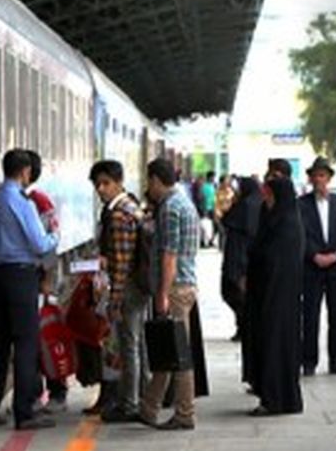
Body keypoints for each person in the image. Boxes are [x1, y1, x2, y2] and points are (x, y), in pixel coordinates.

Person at [0, 149, 59, 430]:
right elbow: (39, 243)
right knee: (26, 344)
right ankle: (25, 411)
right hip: (21, 277)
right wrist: (55, 235)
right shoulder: (21, 203)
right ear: (24, 171)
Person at [139, 158, 200, 431]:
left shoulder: (169, 208)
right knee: (168, 347)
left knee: (179, 353)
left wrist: (162, 293)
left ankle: (185, 413)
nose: (147, 188)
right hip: (186, 284)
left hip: (175, 288)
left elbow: (169, 255)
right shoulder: (184, 202)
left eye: (148, 181)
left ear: (155, 180)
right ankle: (149, 407)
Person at [89, 159, 149, 422]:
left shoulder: (118, 214)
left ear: (119, 182)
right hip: (137, 287)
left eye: (106, 183)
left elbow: (122, 263)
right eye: (97, 184)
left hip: (128, 289)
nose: (101, 189)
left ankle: (130, 404)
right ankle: (141, 397)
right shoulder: (133, 207)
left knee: (129, 345)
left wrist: (114, 300)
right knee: (135, 343)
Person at [244, 174, 304, 415]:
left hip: (279, 298)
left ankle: (276, 399)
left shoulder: (288, 224)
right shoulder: (273, 219)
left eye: (269, 194)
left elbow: (276, 261)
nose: (265, 198)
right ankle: (271, 396)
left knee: (276, 345)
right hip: (267, 296)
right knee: (267, 343)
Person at [298, 157, 336, 376]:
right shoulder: (301, 204)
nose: (319, 180)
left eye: (323, 175)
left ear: (329, 178)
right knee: (310, 315)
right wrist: (314, 255)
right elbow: (301, 234)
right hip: (312, 268)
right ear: (310, 179)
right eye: (316, 176)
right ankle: (309, 360)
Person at [25, 150, 68, 413]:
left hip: (42, 278)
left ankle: (57, 392)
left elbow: (52, 238)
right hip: (35, 277)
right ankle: (37, 393)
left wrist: (48, 280)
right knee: (35, 340)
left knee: (48, 338)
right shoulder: (26, 200)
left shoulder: (38, 200)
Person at [220, 174, 262, 342]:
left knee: (236, 293)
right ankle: (244, 326)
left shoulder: (245, 206)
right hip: (241, 255)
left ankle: (244, 327)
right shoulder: (253, 203)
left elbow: (227, 220)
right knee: (237, 295)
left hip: (240, 257)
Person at [213, 174, 236, 249]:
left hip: (230, 214)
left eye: (228, 180)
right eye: (226, 180)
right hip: (220, 214)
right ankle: (222, 246)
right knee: (222, 231)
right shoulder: (218, 192)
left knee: (227, 232)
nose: (228, 182)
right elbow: (216, 203)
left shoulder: (232, 191)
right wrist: (216, 214)